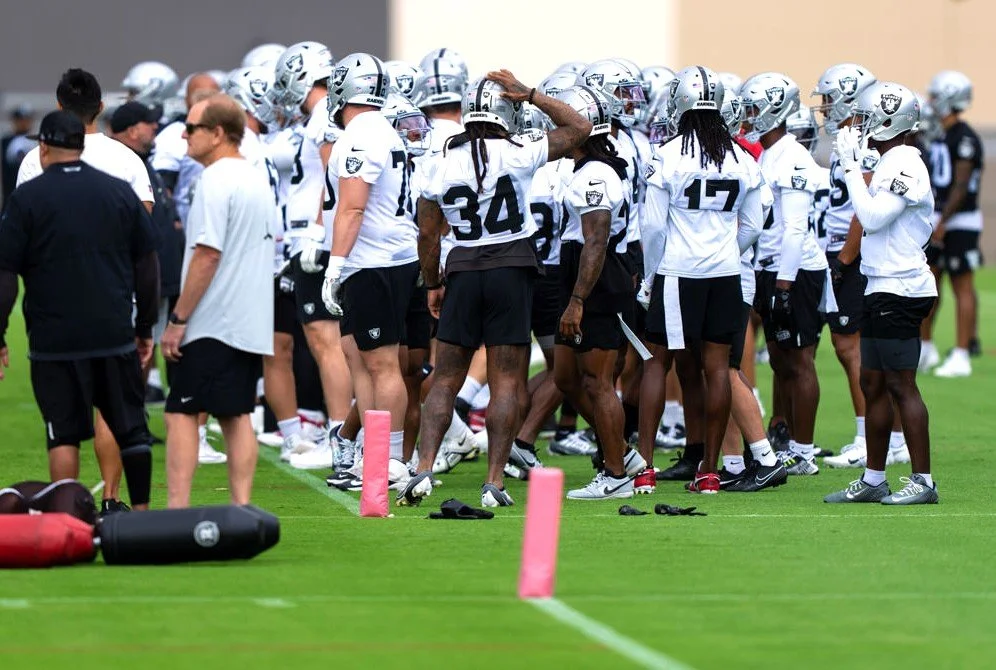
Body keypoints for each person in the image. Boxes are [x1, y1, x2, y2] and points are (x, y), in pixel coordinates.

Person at [403, 70, 592, 508]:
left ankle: (423, 469)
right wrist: (532, 94)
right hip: (511, 269)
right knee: (507, 380)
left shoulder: (439, 161)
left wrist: (433, 283)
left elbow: (428, 234)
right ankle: (494, 481)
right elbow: (581, 127)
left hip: (463, 268)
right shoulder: (519, 151)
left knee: (446, 377)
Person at [0, 111, 158, 511]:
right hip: (112, 329)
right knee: (130, 428)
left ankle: (65, 520)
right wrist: (144, 326)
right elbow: (147, 262)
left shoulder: (27, 198)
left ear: (43, 147)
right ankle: (135, 515)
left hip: (53, 335)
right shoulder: (117, 192)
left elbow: (5, 273)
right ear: (81, 145)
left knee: (63, 435)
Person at [641, 66, 766, 494]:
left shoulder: (668, 154)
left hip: (678, 271)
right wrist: (727, 249)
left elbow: (653, 227)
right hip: (726, 273)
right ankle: (710, 471)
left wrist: (649, 275)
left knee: (657, 363)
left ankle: (644, 467)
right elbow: (754, 225)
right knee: (717, 369)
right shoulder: (742, 157)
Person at [824, 82, 938, 505]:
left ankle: (923, 482)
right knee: (871, 382)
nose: (860, 125)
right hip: (880, 282)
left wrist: (852, 168)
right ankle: (874, 478)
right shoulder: (891, 160)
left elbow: (872, 218)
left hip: (902, 286)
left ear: (890, 121)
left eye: (868, 118)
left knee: (900, 384)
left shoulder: (906, 162)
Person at [161, 95, 276, 508]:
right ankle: (241, 508)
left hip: (214, 320)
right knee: (235, 414)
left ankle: (177, 509)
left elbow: (208, 254)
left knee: (180, 412)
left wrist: (178, 318)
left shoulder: (214, 179)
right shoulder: (255, 177)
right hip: (249, 318)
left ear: (217, 133)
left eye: (191, 128)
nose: (184, 135)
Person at [318, 52, 419, 475]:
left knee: (381, 364)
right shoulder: (381, 131)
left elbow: (353, 208)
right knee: (358, 357)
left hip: (374, 260)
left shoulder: (361, 136)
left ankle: (389, 460)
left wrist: (335, 265)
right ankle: (371, 453)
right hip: (381, 257)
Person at [548, 85, 643, 500]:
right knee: (566, 377)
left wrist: (577, 300)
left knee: (599, 381)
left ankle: (616, 472)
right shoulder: (585, 168)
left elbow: (597, 240)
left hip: (598, 281)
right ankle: (621, 452)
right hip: (582, 274)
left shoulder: (596, 174)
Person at [740, 72, 828, 477]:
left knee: (799, 360)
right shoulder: (769, 153)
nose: (748, 115)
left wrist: (785, 283)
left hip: (794, 269)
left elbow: (794, 228)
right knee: (780, 359)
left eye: (754, 108)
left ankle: (804, 453)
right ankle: (791, 440)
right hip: (771, 266)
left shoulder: (791, 156)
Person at [922, 71, 984, 378]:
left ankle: (961, 353)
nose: (932, 101)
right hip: (939, 218)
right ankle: (925, 346)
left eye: (936, 96)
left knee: (962, 285)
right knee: (928, 283)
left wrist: (944, 220)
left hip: (959, 221)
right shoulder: (940, 134)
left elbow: (960, 187)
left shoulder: (965, 137)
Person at [2, 104, 36, 204]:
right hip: (10, 190)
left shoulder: (37, 141)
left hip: (31, 190)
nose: (23, 123)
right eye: (20, 120)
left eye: (26, 119)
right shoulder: (6, 141)